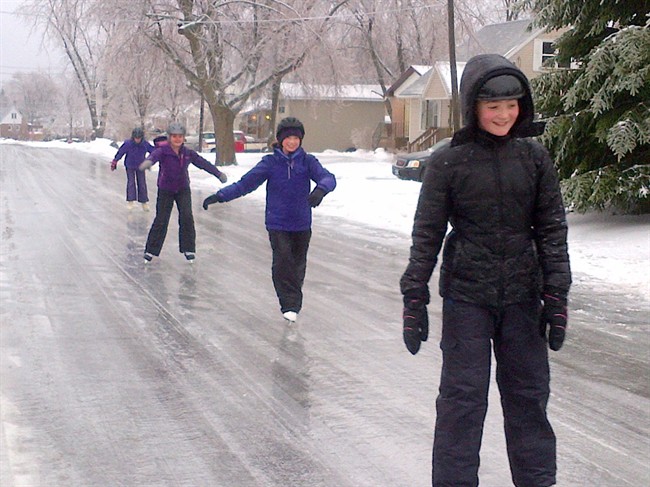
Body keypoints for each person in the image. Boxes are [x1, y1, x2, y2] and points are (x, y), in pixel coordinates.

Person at [399, 53, 571, 487]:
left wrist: (557, 296)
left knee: (529, 401)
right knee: (462, 402)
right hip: (467, 300)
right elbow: (427, 235)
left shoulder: (534, 158)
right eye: (493, 106)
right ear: (474, 106)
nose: (504, 114)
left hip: (522, 300)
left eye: (512, 105)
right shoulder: (448, 162)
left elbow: (552, 231)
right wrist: (414, 297)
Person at [202, 117, 336, 322]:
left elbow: (328, 178)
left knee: (298, 265)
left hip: (301, 223)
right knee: (283, 261)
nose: (292, 142)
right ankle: (289, 304)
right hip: (278, 222)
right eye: (288, 138)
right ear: (280, 139)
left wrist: (320, 190)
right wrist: (220, 196)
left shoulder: (308, 162)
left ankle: (293, 302)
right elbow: (245, 184)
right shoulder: (270, 163)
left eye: (296, 138)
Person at [139, 122, 227, 264]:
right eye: (174, 136)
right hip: (165, 189)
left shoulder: (187, 153)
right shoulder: (163, 151)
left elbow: (202, 163)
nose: (177, 139)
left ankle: (189, 248)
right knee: (161, 219)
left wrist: (218, 173)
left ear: (183, 138)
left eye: (180, 136)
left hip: (182, 189)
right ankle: (151, 250)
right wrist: (148, 163)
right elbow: (153, 156)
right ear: (169, 137)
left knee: (186, 216)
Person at [111, 127, 155, 211]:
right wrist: (115, 160)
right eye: (136, 138)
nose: (137, 140)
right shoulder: (128, 144)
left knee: (142, 184)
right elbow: (121, 152)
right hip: (130, 165)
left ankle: (144, 202)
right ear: (133, 137)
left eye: (139, 138)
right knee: (131, 183)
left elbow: (153, 151)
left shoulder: (145, 144)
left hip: (141, 166)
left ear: (142, 138)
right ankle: (130, 201)